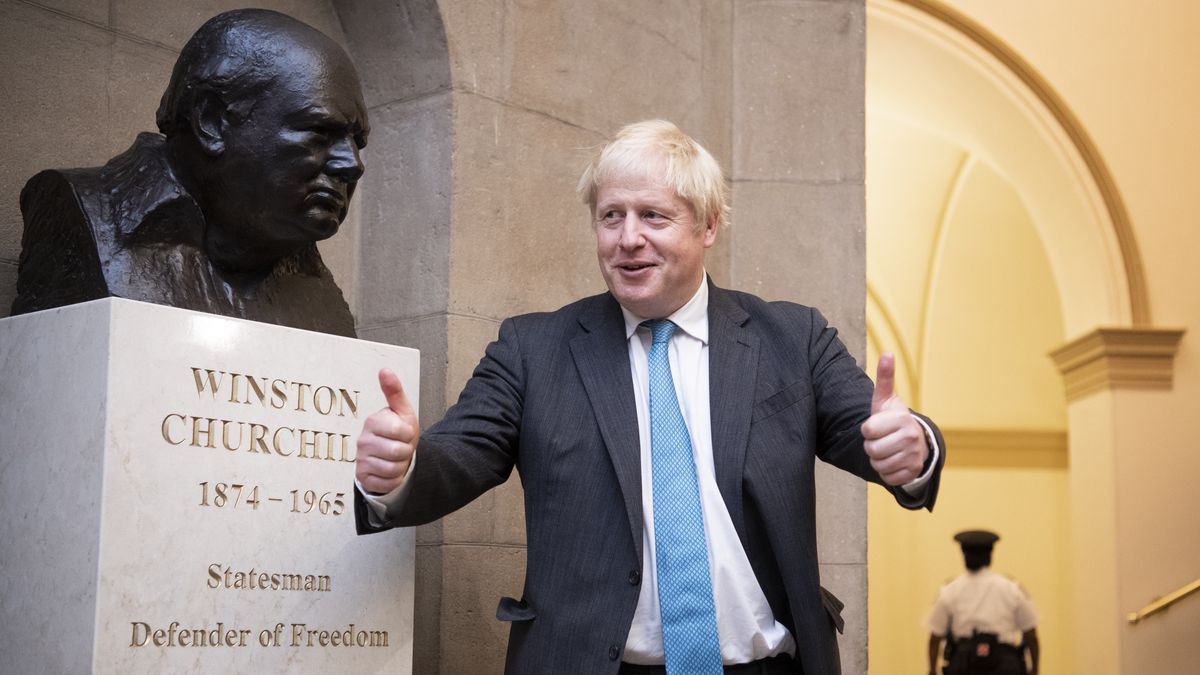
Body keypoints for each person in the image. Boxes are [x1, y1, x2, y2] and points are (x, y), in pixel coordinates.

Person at [355, 120, 947, 674]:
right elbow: (461, 454)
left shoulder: (794, 339)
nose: (628, 239)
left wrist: (911, 449)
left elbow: (868, 434)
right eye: (611, 216)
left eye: (653, 216)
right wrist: (400, 469)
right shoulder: (532, 348)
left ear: (708, 225)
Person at [11, 9, 368, 337]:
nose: (352, 165)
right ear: (211, 121)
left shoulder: (308, 274)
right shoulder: (84, 212)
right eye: (320, 132)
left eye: (357, 142)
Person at [927, 530, 1039, 675]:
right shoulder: (1011, 589)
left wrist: (932, 671)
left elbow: (935, 637)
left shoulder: (950, 590)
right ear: (990, 555)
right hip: (1005, 665)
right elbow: (1031, 634)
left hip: (964, 665)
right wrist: (1035, 669)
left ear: (964, 555)